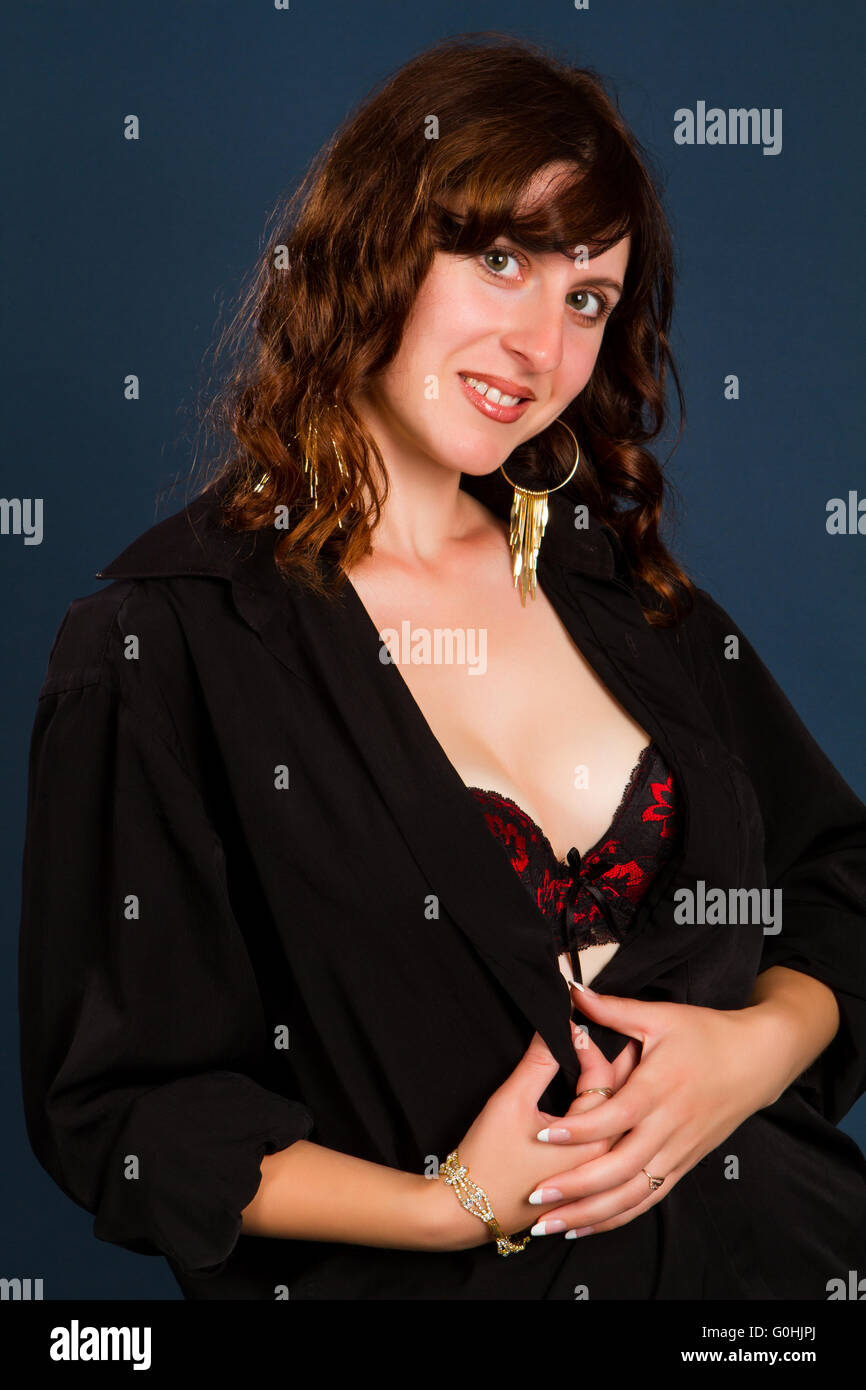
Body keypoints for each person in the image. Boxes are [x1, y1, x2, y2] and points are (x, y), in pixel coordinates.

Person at [19, 34, 866, 1301]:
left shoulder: (624, 593)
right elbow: (120, 1116)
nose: (539, 343)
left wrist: (754, 1047)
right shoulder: (164, 646)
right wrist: (444, 1207)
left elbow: (837, 880)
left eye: (586, 298)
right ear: (371, 245)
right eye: (502, 260)